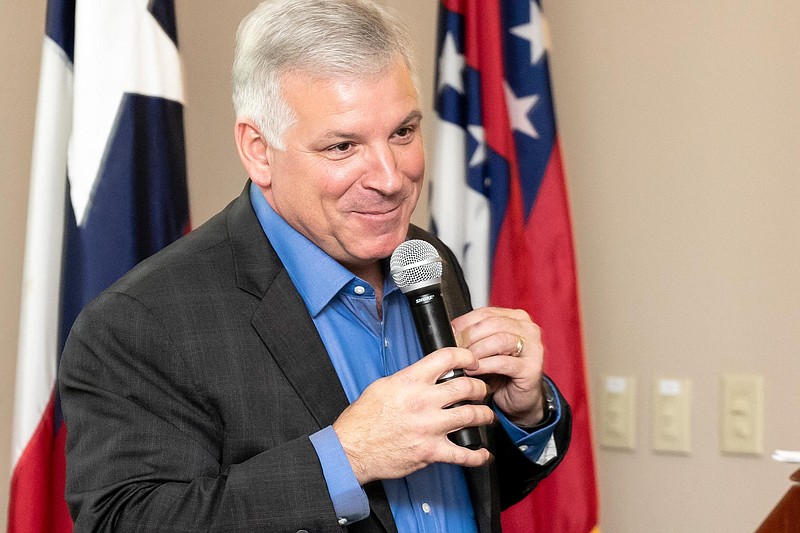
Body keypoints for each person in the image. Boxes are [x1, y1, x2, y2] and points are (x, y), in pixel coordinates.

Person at [59, 1, 572, 531]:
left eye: (403, 132)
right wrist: (347, 458)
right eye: (344, 145)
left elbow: (454, 494)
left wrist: (522, 413)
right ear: (259, 150)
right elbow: (126, 522)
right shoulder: (140, 322)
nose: (391, 178)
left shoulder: (426, 260)